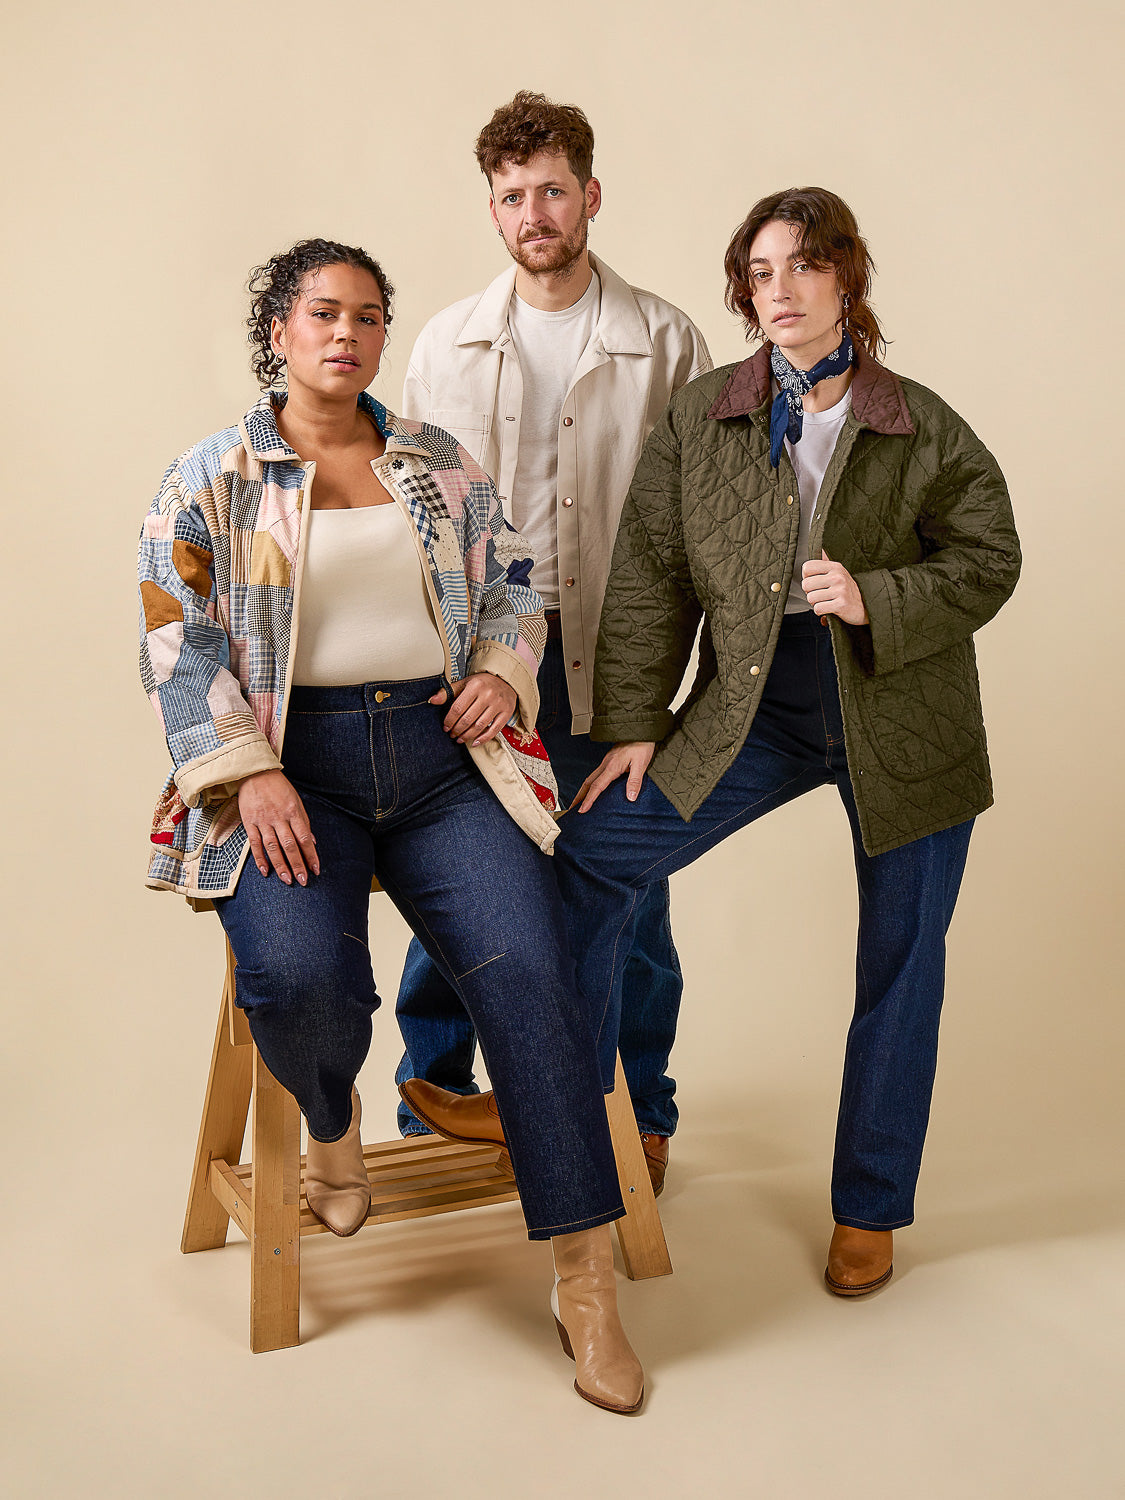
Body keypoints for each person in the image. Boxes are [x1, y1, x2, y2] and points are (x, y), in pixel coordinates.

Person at [137, 238, 643, 1413]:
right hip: (291, 768)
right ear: (277, 332)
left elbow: (514, 580)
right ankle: (332, 1120)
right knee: (297, 976)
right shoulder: (210, 477)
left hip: (440, 761)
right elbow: (176, 640)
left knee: (535, 973)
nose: (346, 334)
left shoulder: (434, 461)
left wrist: (503, 673)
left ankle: (586, 1281)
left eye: (367, 317)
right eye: (323, 313)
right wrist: (249, 774)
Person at [545, 186, 1021, 1295]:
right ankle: (593, 1124)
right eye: (759, 273)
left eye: (803, 266)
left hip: (902, 709)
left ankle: (870, 1206)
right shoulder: (704, 414)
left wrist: (876, 596)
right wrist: (633, 726)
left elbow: (990, 557)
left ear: (847, 278)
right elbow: (652, 573)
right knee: (595, 858)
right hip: (754, 706)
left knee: (901, 961)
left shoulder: (918, 420)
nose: (780, 291)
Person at [394, 91, 712, 1193]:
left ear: (591, 196)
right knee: (454, 871)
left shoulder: (665, 339)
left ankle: (640, 1111)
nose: (534, 213)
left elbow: (696, 519)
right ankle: (434, 1090)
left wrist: (676, 677)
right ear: (492, 209)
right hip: (472, 654)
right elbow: (414, 514)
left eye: (552, 191)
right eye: (511, 196)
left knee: (626, 881)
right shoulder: (443, 342)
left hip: (615, 651)